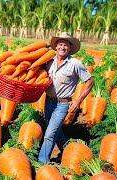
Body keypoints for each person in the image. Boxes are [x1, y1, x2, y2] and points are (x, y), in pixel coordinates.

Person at [38, 32, 94, 164]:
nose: (63, 47)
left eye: (66, 45)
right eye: (60, 44)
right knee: (55, 130)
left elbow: (90, 81)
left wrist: (78, 100)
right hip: (48, 102)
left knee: (49, 134)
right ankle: (67, 148)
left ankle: (42, 163)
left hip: (62, 105)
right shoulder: (49, 62)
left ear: (70, 48)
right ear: (56, 46)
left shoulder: (75, 64)